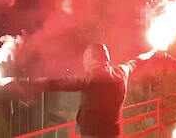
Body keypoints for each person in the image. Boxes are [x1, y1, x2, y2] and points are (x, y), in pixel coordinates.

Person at [8, 43, 156, 138]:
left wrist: (22, 84)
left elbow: (55, 84)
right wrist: (154, 50)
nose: (84, 62)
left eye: (85, 58)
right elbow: (138, 60)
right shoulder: (122, 72)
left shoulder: (90, 79)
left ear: (94, 59)